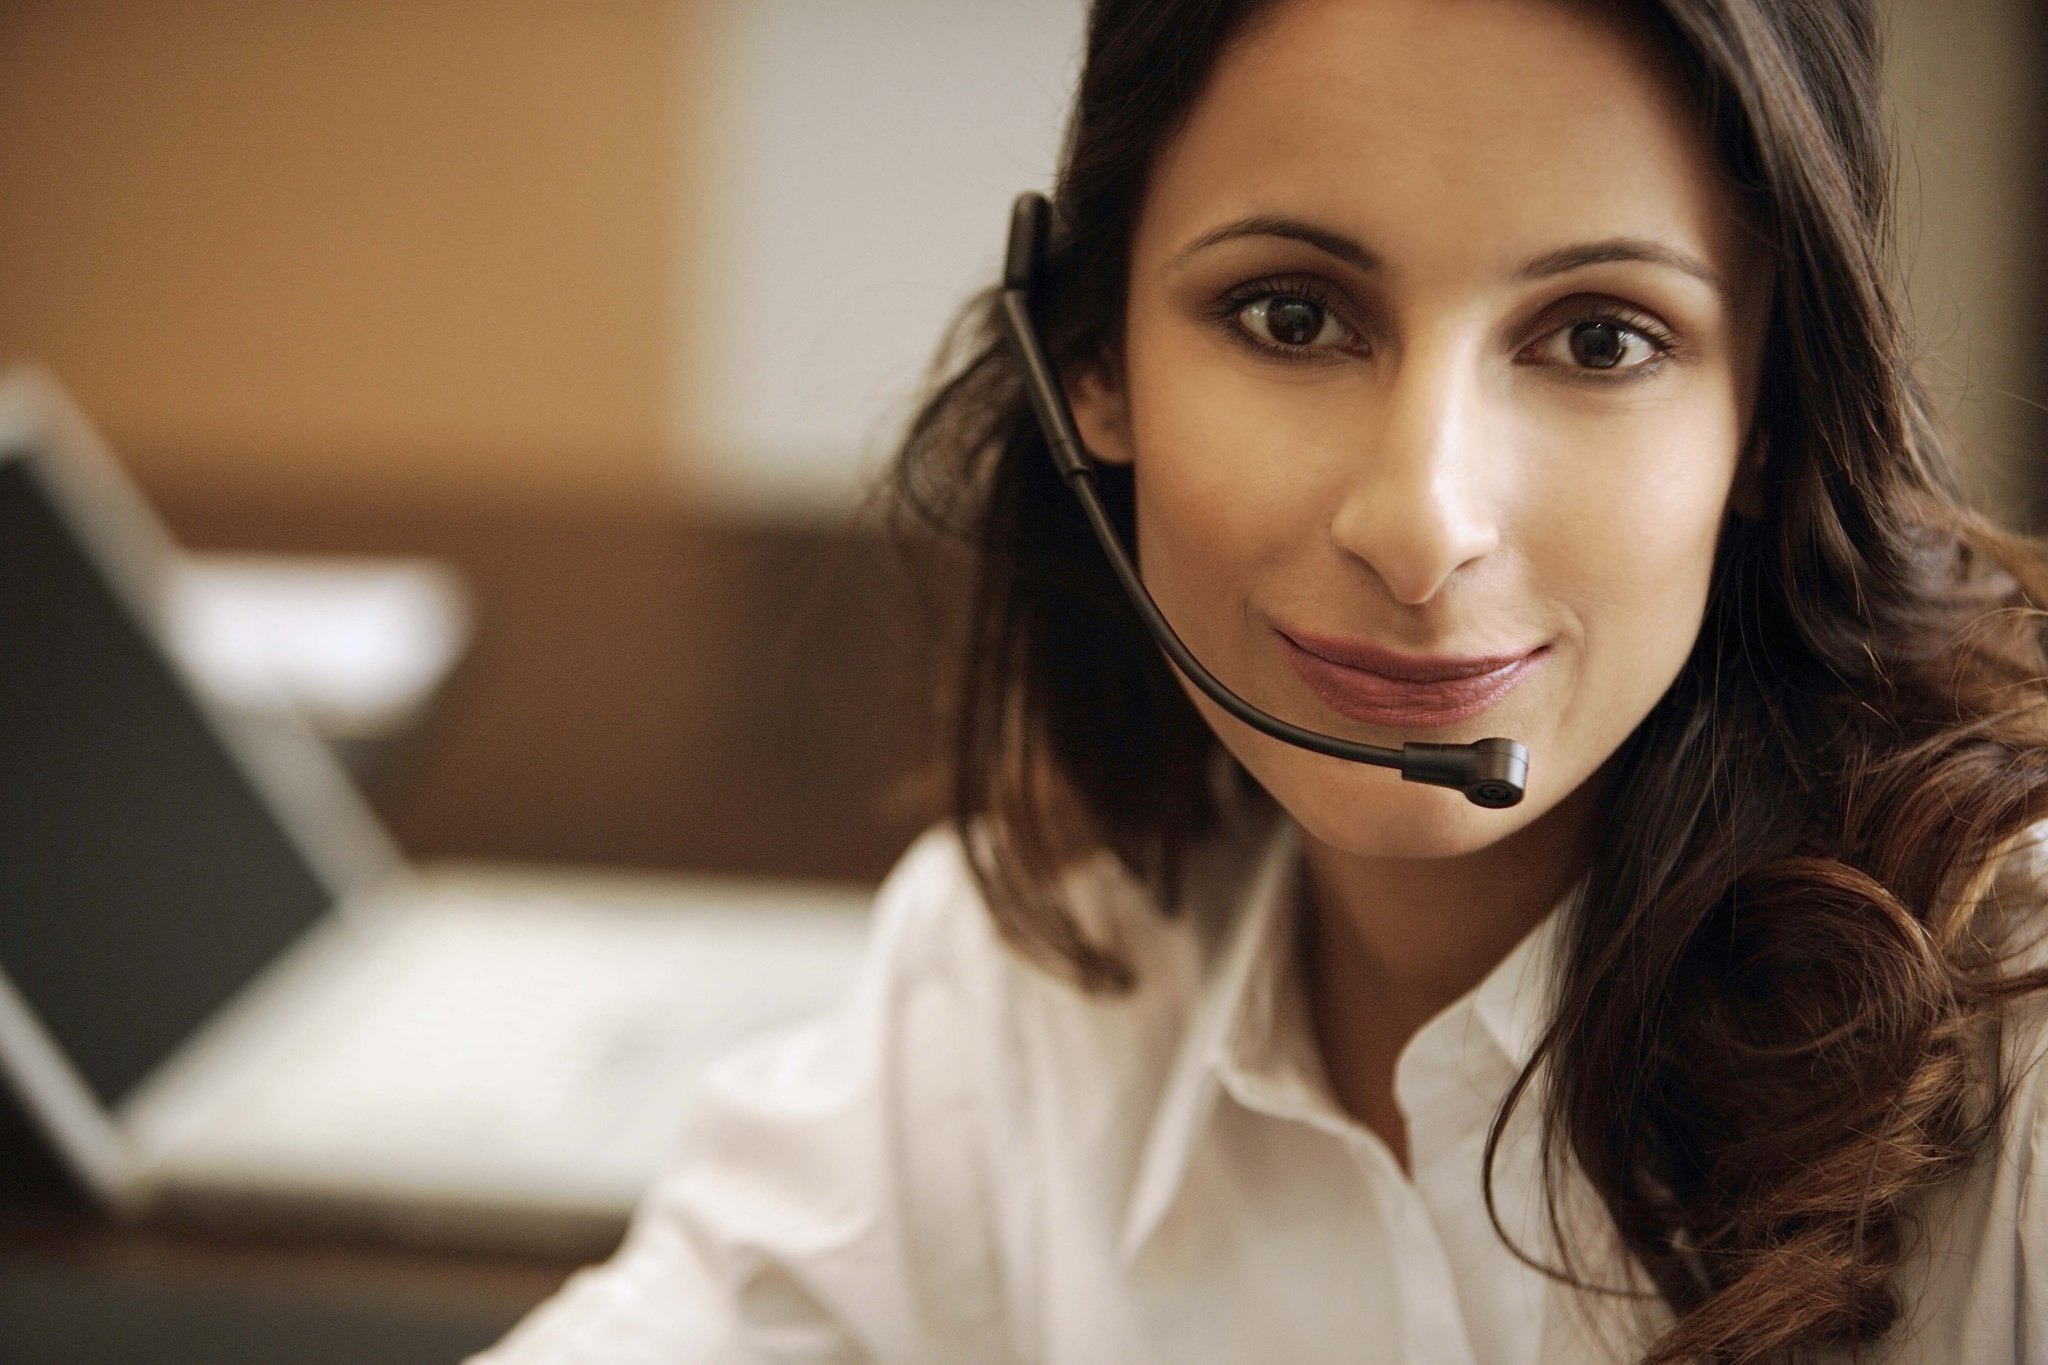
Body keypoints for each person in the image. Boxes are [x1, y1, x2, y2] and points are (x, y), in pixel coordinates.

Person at [475, 0, 2048, 1360]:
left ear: (1769, 421)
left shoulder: (2019, 1057)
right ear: (1090, 361)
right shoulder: (1030, 993)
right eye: (1292, 316)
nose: (1424, 525)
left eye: (1600, 338)